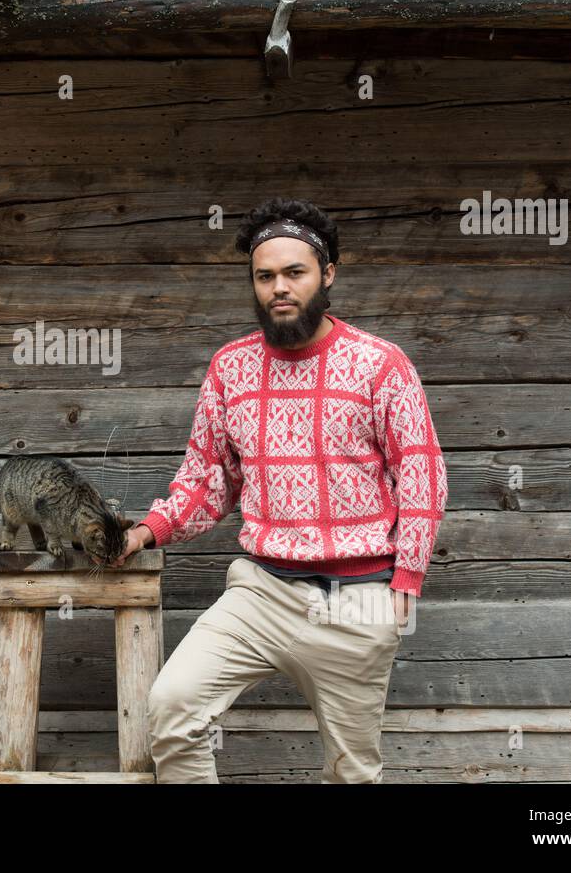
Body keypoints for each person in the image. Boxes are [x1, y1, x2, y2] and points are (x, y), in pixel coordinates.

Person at [116, 197, 447, 783]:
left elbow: (421, 475)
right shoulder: (230, 368)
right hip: (261, 591)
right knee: (172, 707)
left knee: (353, 772)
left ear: (328, 275)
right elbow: (207, 479)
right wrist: (147, 531)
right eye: (265, 276)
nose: (279, 288)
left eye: (295, 272)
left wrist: (406, 584)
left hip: (359, 600)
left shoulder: (381, 364)